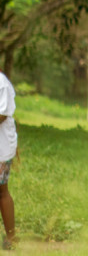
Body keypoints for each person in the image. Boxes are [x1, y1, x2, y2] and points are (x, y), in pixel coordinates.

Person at [0, 70, 16, 250]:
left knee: (2, 190)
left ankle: (11, 237)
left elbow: (2, 114)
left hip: (1, 147)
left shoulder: (1, 82)